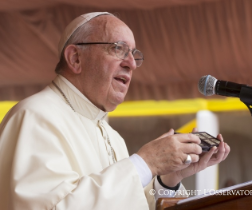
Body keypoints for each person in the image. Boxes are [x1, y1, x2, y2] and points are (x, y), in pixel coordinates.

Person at [0, 12, 230, 210]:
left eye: (134, 54)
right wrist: (145, 163)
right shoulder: (34, 116)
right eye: (118, 49)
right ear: (75, 58)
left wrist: (170, 177)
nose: (131, 63)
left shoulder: (112, 137)